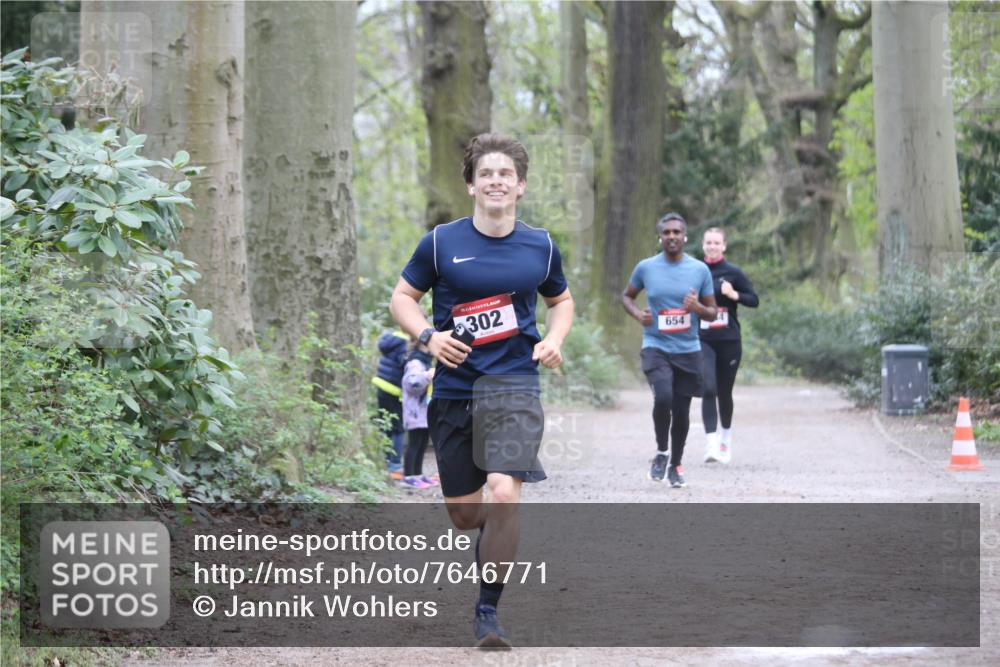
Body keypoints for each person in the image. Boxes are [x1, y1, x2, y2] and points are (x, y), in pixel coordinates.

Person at [389, 133, 574, 648]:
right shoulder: (440, 243)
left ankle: (488, 612)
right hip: (455, 389)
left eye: (505, 174)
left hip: (514, 385)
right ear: (471, 184)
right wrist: (428, 336)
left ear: (521, 185)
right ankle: (491, 533)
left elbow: (560, 301)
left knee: (504, 493)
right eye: (486, 174)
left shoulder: (541, 246)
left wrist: (554, 340)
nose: (496, 181)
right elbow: (402, 298)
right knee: (466, 515)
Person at [622, 213, 717, 488]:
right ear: (660, 237)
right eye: (667, 232)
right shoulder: (646, 267)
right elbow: (626, 296)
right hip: (656, 346)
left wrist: (697, 308)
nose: (672, 236)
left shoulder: (699, 270)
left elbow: (712, 312)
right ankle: (662, 451)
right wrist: (638, 315)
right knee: (663, 397)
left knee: (682, 409)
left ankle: (676, 464)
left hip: (688, 349)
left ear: (685, 237)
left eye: (677, 232)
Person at [699, 226, 759, 464]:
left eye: (716, 243)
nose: (712, 246)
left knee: (724, 392)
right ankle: (711, 443)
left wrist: (735, 295)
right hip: (703, 339)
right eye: (708, 242)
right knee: (708, 388)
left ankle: (725, 436)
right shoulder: (696, 271)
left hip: (729, 341)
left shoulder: (733, 273)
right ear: (703, 245)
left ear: (724, 246)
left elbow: (754, 300)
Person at [401, 338, 439, 489]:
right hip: (414, 412)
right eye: (427, 345)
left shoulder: (425, 362)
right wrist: (428, 376)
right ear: (419, 345)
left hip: (424, 412)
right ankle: (408, 476)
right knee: (414, 444)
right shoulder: (415, 363)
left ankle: (418, 474)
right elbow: (411, 385)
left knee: (422, 444)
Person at [372, 331, 408, 480]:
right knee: (398, 428)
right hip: (393, 390)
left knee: (386, 426)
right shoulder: (404, 343)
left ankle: (386, 460)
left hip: (381, 385)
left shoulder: (390, 339)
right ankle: (395, 464)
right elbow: (404, 364)